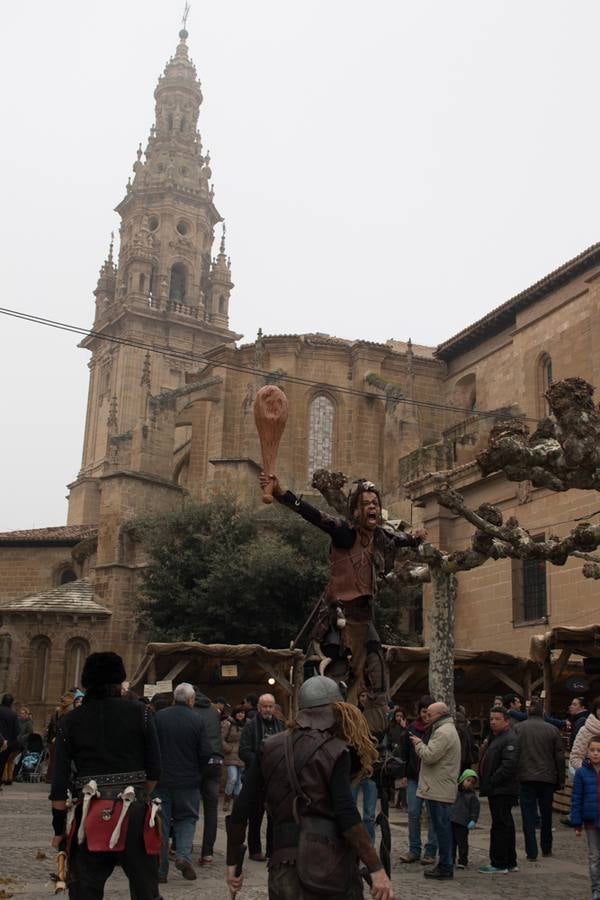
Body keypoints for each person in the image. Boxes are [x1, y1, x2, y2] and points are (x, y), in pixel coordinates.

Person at [260, 472, 425, 712]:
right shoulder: (344, 533)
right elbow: (312, 514)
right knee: (335, 682)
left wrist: (415, 538)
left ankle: (372, 730)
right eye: (366, 504)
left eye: (375, 504)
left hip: (364, 620)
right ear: (356, 511)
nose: (372, 508)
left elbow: (399, 539)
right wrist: (281, 493)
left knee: (377, 676)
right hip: (339, 620)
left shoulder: (380, 536)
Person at [225, 675, 395, 900]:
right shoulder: (337, 750)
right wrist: (376, 867)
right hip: (330, 866)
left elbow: (242, 808)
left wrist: (232, 863)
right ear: (336, 708)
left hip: (282, 866)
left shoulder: (269, 747)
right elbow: (346, 814)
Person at [50, 651, 162, 899]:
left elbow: (58, 785)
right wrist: (139, 798)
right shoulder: (141, 713)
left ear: (87, 683)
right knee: (146, 893)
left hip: (90, 815)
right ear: (119, 681)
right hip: (135, 813)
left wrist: (59, 830)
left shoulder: (70, 721)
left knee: (84, 893)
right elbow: (155, 770)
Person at [155, 683, 212, 882]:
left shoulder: (159, 717)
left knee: (160, 824)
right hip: (188, 781)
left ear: (174, 697)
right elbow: (206, 752)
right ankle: (183, 857)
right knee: (187, 819)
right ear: (190, 700)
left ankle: (160, 870)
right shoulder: (197, 720)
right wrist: (199, 772)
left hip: (162, 781)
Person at [411, 701, 461, 879]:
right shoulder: (444, 729)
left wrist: (418, 744)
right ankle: (444, 864)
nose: (426, 717)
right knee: (442, 828)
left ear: (439, 714)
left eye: (430, 714)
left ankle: (445, 866)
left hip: (439, 788)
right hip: (439, 786)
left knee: (442, 829)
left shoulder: (443, 732)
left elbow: (430, 755)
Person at [514, 700, 564, 860]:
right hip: (547, 778)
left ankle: (531, 851)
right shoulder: (553, 730)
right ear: (543, 713)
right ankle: (547, 847)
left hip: (525, 777)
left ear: (528, 712)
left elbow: (514, 754)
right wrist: (560, 779)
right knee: (546, 815)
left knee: (527, 816)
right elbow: (559, 757)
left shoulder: (518, 729)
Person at [239, 692, 285, 860]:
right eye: (264, 706)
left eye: (270, 706)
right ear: (258, 708)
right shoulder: (250, 726)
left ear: (274, 708)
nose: (267, 709)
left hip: (275, 779)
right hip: (256, 779)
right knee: (256, 816)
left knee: (274, 817)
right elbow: (243, 751)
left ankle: (273, 850)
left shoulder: (281, 726)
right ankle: (255, 850)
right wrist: (261, 761)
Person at [478, 706, 520, 874]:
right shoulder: (495, 737)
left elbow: (508, 765)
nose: (493, 722)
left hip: (502, 788)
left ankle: (500, 862)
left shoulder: (509, 738)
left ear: (506, 721)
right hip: (497, 788)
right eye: (491, 719)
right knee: (504, 824)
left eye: (497, 719)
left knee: (501, 826)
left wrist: (491, 781)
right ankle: (509, 861)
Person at [400, 695, 438, 864]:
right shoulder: (411, 729)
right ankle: (414, 849)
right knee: (413, 813)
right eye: (424, 712)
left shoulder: (437, 729)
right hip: (414, 777)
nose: (426, 715)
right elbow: (405, 754)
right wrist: (404, 775)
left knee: (432, 815)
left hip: (431, 777)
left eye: (428, 712)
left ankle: (430, 850)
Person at [192, 688, 225, 866]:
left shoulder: (190, 711)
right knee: (211, 810)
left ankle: (180, 847)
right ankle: (207, 854)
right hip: (216, 761)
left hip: (197, 763)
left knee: (190, 806)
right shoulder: (214, 711)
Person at [571, 735, 600, 900]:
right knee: (594, 856)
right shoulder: (582, 773)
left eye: (599, 750)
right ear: (587, 751)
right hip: (590, 821)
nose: (595, 753)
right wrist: (577, 822)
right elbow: (576, 798)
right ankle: (596, 889)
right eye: (592, 750)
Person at [450, 769, 480, 869]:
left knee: (462, 843)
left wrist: (473, 820)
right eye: (468, 780)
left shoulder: (472, 797)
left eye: (472, 782)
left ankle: (463, 860)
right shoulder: (455, 792)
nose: (469, 784)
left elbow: (475, 810)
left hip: (462, 823)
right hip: (452, 820)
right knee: (451, 843)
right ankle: (451, 858)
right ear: (462, 780)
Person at [222, 705, 247, 811]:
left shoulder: (248, 724)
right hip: (231, 755)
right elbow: (221, 738)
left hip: (242, 756)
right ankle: (227, 800)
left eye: (243, 713)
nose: (241, 715)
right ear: (235, 713)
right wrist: (228, 748)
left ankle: (236, 802)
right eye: (239, 712)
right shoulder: (228, 723)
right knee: (232, 778)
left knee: (239, 781)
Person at [571, 696, 600, 771]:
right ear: (595, 710)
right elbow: (575, 758)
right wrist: (589, 773)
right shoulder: (585, 730)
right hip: (591, 779)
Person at [386, 708, 408, 809]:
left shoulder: (406, 727)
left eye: (401, 716)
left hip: (402, 755)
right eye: (397, 716)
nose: (399, 718)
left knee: (402, 779)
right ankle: (392, 799)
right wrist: (391, 745)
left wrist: (404, 728)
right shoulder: (391, 726)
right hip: (393, 755)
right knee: (392, 778)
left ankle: (401, 801)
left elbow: (408, 738)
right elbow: (388, 740)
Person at [0, 695, 20, 784]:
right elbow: (17, 730)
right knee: (2, 762)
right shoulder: (13, 714)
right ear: (11, 703)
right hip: (7, 743)